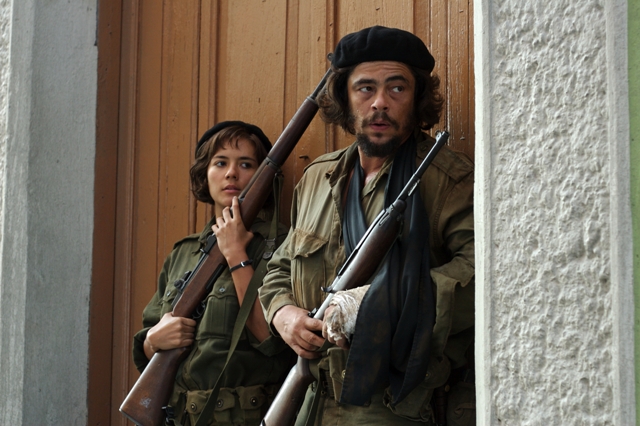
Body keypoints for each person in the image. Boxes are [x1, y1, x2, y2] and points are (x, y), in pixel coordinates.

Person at [259, 26, 475, 425]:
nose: (380, 103)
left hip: (394, 405)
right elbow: (278, 271)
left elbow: (484, 276)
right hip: (312, 401)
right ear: (344, 97)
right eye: (365, 88)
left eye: (397, 89)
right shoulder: (317, 179)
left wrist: (377, 304)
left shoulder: (448, 180)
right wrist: (285, 316)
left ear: (418, 97)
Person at [132, 121, 294, 426]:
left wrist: (235, 254)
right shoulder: (184, 252)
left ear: (263, 176)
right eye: (220, 163)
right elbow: (149, 338)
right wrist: (154, 340)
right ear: (204, 175)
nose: (232, 173)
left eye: (246, 164)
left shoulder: (281, 245)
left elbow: (270, 339)